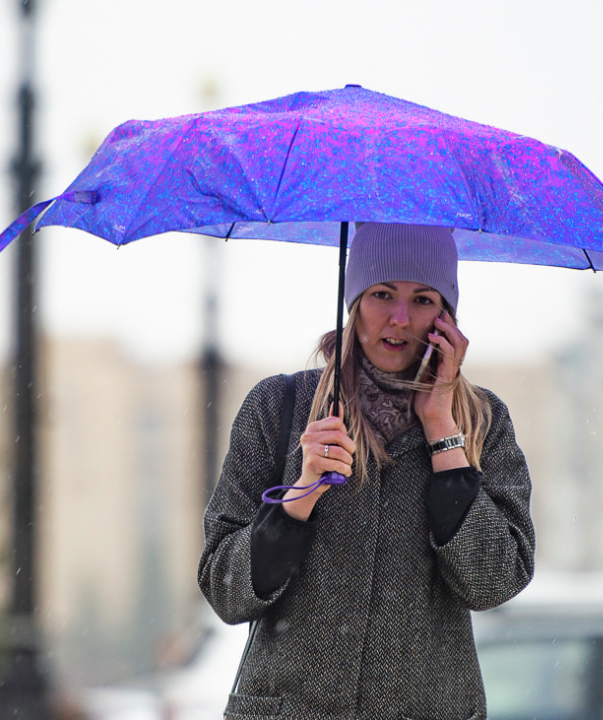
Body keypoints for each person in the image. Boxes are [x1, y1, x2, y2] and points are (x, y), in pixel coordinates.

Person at [198, 222, 535, 720]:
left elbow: (494, 582)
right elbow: (226, 590)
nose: (399, 319)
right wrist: (300, 493)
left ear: (447, 318)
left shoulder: (484, 422)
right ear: (354, 303)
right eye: (382, 294)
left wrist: (442, 428)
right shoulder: (279, 408)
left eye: (423, 299)